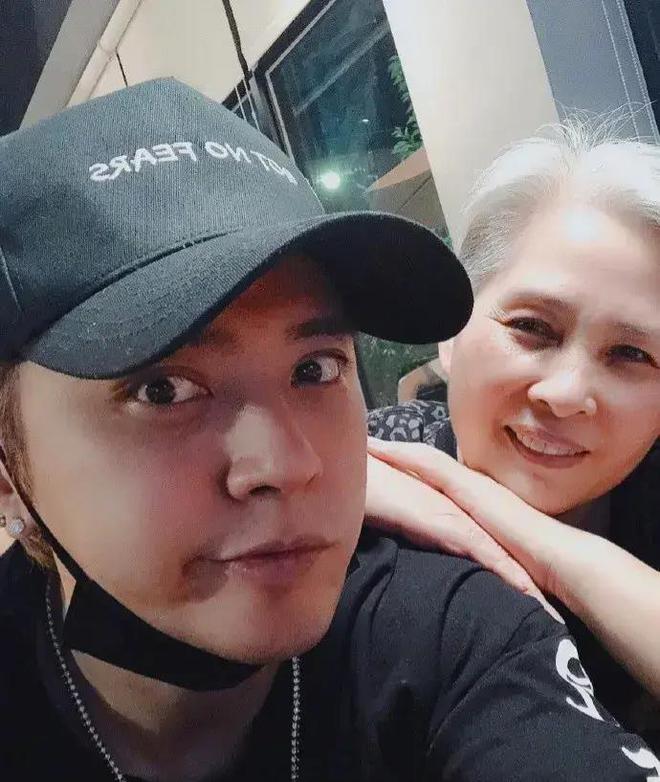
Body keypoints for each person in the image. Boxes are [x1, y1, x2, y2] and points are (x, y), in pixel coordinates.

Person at [0, 80, 657, 781]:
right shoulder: (405, 505)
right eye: (163, 389)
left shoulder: (441, 628)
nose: (289, 463)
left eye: (314, 370)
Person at [366, 120, 660, 749]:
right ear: (450, 333)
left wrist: (536, 539)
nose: (567, 393)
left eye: (632, 355)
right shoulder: (374, 475)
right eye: (532, 328)